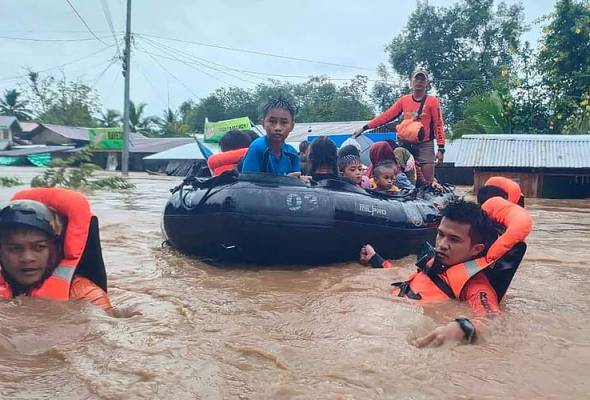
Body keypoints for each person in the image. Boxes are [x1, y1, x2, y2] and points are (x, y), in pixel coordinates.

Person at [360, 196, 532, 347]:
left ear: (475, 249)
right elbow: (409, 280)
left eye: (454, 239)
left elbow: (494, 321)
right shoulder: (434, 262)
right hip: (378, 322)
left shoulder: (476, 287)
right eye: (441, 234)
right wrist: (377, 259)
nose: (442, 244)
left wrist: (462, 328)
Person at [0, 188, 112, 313]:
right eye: (15, 249)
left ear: (55, 250)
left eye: (39, 247)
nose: (27, 258)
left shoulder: (87, 296)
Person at [353, 68, 445, 185]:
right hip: (405, 144)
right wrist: (365, 128)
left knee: (428, 181)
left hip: (424, 145)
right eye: (416, 78)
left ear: (427, 83)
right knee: (390, 157)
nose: (419, 82)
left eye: (422, 79)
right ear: (411, 81)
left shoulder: (432, 101)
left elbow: (438, 124)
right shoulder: (404, 100)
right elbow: (386, 116)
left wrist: (441, 148)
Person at [241, 97, 300, 177]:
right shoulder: (257, 148)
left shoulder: (292, 153)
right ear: (263, 123)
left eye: (284, 122)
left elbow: (296, 180)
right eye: (272, 121)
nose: (277, 128)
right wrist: (287, 181)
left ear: (292, 126)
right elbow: (249, 184)